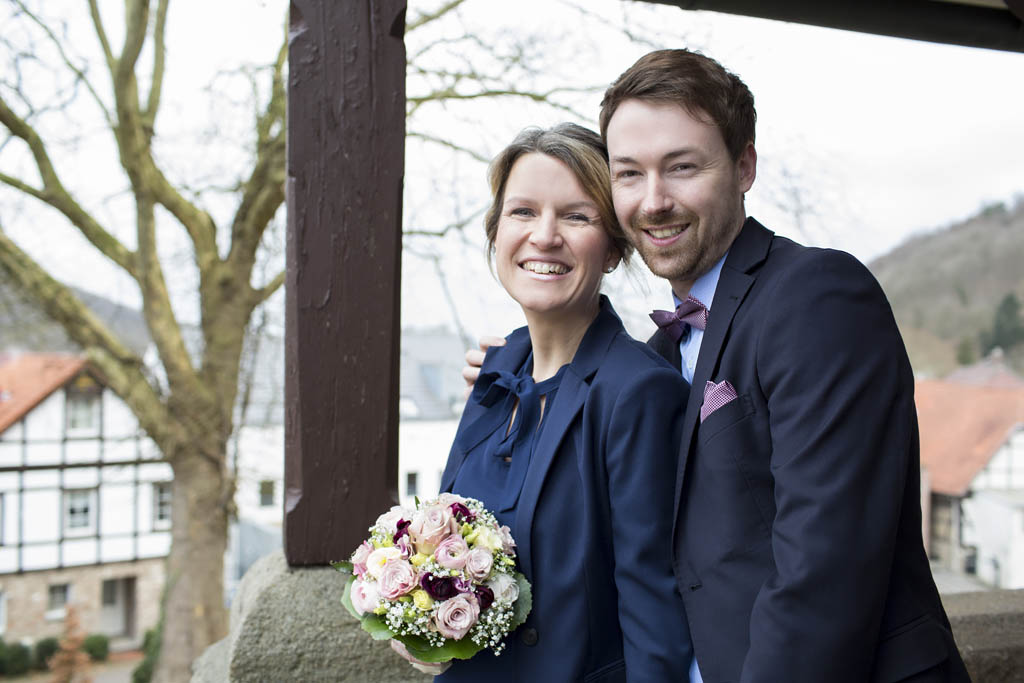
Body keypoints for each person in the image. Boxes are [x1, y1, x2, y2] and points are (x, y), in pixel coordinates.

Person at [467, 50, 969, 683]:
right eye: (629, 174)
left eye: (681, 168)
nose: (654, 202)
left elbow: (823, 572)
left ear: (744, 165)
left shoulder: (816, 296)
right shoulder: (652, 362)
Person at [420, 123, 696, 682]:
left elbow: (653, 614)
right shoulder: (494, 374)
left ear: (615, 248)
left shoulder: (639, 392)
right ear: (496, 232)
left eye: (575, 216)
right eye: (522, 212)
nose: (544, 237)